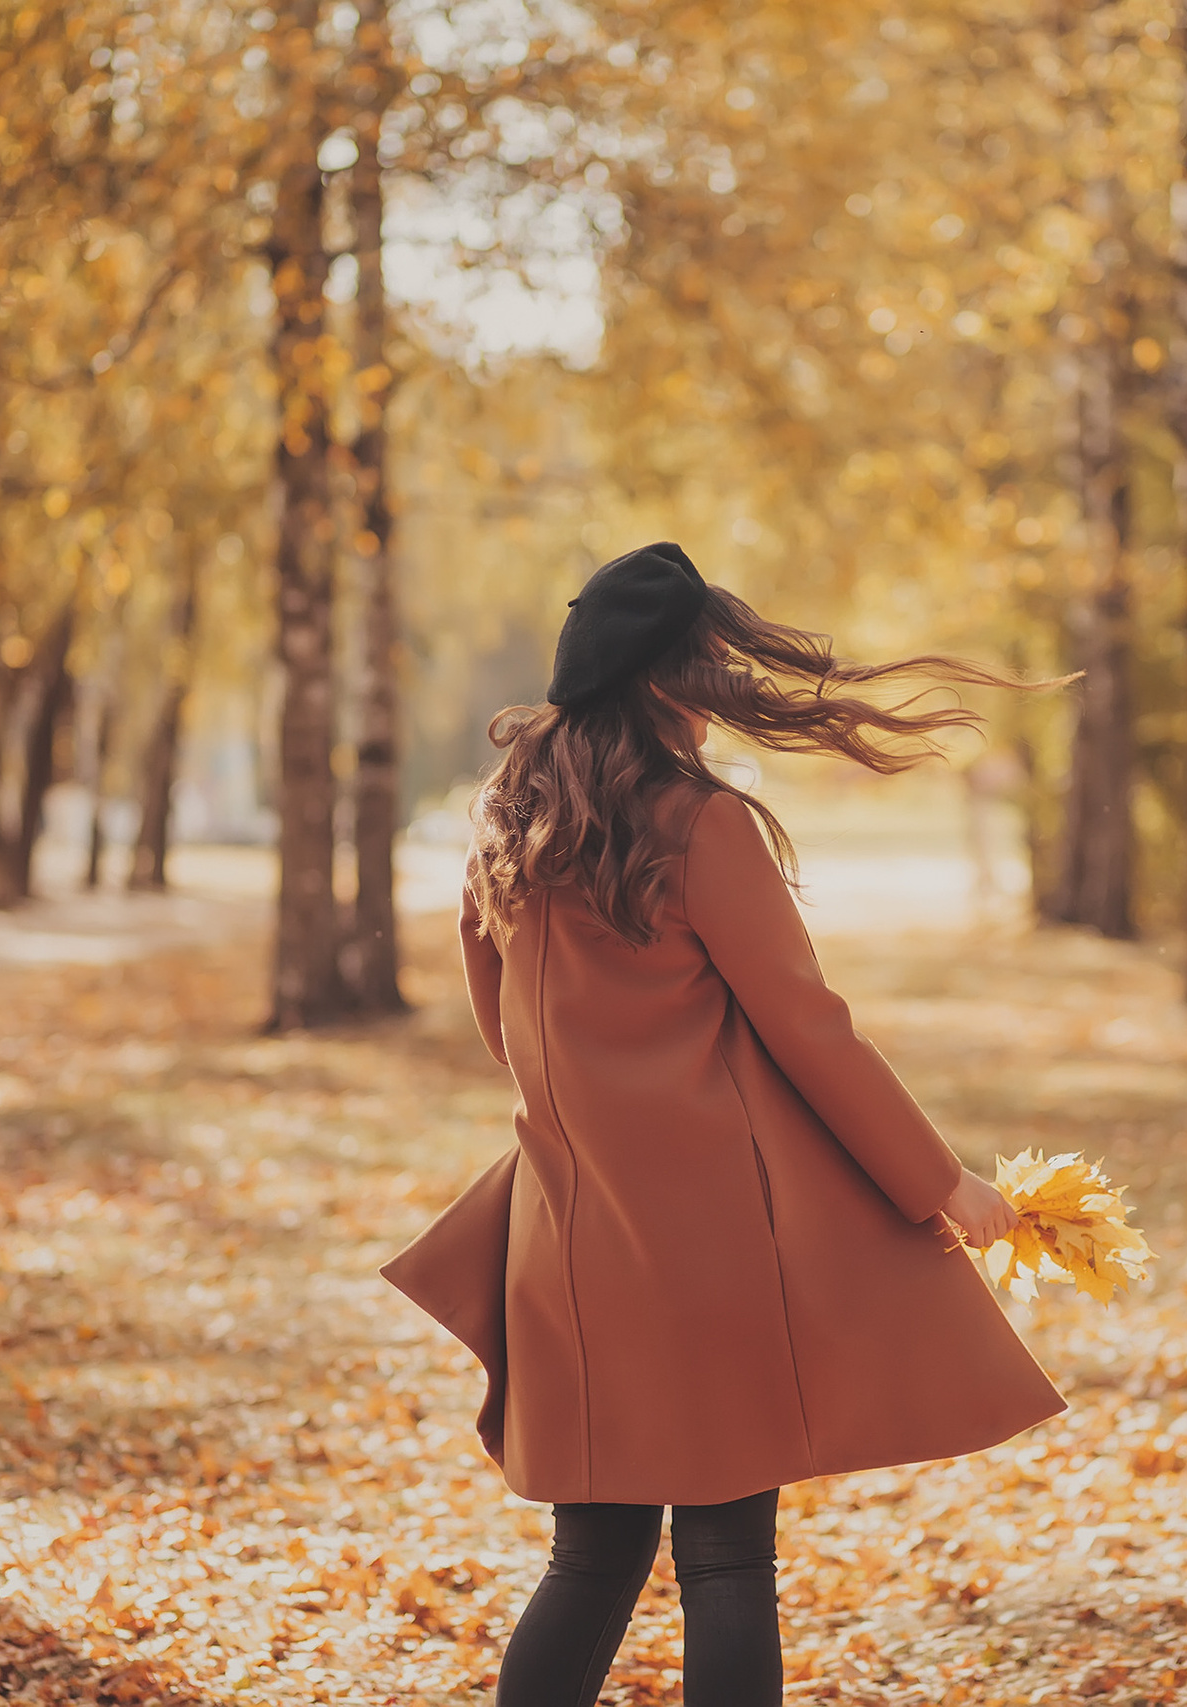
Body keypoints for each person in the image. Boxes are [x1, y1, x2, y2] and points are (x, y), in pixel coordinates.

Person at [384, 544, 1068, 1707]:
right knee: (725, 1563)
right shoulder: (697, 826)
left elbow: (505, 1033)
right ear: (670, 678)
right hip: (705, 1253)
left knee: (591, 1561)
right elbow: (811, 1030)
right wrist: (942, 1184)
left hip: (564, 1243)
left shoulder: (506, 823)